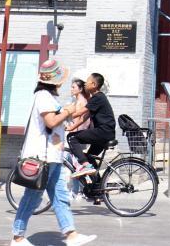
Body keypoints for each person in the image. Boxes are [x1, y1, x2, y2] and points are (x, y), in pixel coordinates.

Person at [10, 59, 95, 246]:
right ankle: (17, 237)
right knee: (32, 198)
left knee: (60, 196)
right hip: (43, 157)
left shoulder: (48, 97)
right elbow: (50, 121)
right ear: (56, 81)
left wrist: (68, 112)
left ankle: (71, 234)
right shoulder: (43, 96)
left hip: (52, 156)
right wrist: (67, 111)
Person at [67, 73, 115, 178]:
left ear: (93, 85)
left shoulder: (98, 97)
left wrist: (62, 115)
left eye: (87, 81)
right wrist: (71, 127)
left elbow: (80, 113)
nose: (85, 84)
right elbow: (84, 117)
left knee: (71, 138)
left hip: (103, 132)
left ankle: (86, 166)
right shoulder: (97, 98)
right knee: (89, 157)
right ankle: (97, 184)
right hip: (106, 133)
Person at [63, 79, 91, 201]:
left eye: (73, 87)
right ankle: (79, 189)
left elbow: (82, 121)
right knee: (74, 165)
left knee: (75, 165)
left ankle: (78, 190)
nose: (71, 89)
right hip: (73, 135)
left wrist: (72, 130)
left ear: (80, 89)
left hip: (75, 137)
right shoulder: (77, 101)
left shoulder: (82, 102)